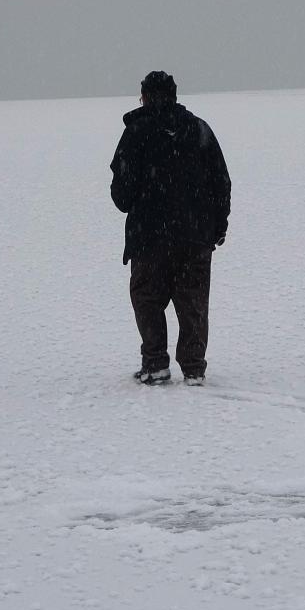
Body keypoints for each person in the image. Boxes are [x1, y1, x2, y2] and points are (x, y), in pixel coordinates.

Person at [110, 71, 231, 386]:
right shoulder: (200, 130)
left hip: (150, 237)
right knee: (193, 302)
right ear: (175, 96)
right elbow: (222, 182)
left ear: (145, 97)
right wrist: (218, 226)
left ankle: (155, 364)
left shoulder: (136, 134)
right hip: (195, 236)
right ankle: (193, 369)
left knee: (147, 299)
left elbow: (121, 196)